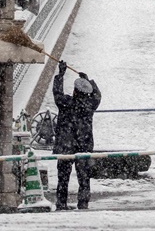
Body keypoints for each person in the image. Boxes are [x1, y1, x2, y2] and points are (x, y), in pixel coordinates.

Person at [52, 61, 101, 210]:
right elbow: (97, 96)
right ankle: (83, 203)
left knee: (63, 179)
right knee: (84, 179)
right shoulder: (89, 105)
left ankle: (61, 203)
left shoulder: (66, 103)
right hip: (83, 147)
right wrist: (89, 81)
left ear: (74, 91)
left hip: (65, 147)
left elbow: (57, 93)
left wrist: (60, 75)